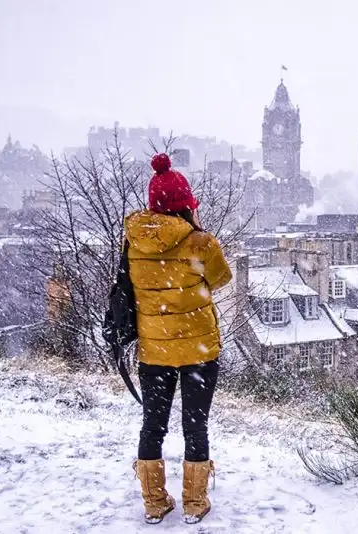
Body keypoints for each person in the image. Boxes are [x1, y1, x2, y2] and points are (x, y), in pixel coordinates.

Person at [125, 153, 232, 524]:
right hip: (199, 350)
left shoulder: (134, 243)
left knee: (152, 425)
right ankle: (194, 502)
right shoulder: (201, 243)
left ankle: (154, 502)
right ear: (186, 205)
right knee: (195, 424)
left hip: (153, 350)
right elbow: (221, 280)